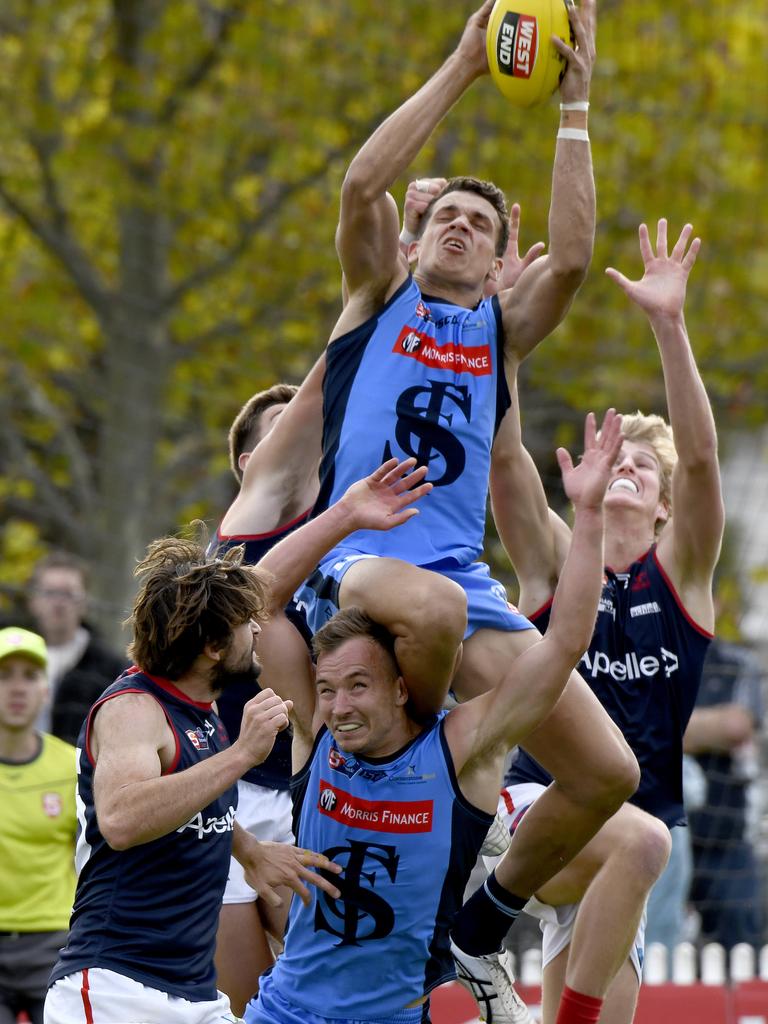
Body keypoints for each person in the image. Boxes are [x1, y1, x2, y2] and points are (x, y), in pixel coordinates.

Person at [292, 8, 643, 1000]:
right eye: (443, 213)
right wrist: (461, 63)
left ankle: (475, 925)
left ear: (496, 264)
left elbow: (570, 261)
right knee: (436, 612)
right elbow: (363, 185)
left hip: (462, 586)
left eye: (480, 223)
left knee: (608, 772)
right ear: (412, 242)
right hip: (357, 564)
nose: (458, 222)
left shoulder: (498, 333)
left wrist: (574, 105)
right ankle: (423, 770)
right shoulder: (373, 298)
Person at [243, 408, 623, 1024]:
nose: (339, 707)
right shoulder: (315, 736)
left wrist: (590, 513)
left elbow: (564, 644)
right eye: (328, 688)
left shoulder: (462, 749)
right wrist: (343, 513)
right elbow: (253, 602)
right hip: (282, 1013)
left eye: (358, 686)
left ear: (401, 688)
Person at [44, 455, 429, 1024]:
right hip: (116, 992)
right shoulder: (133, 709)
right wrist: (243, 756)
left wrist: (248, 849)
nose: (258, 629)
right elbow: (122, 819)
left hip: (194, 997)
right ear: (211, 646)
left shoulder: (199, 705)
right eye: (244, 626)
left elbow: (262, 588)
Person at [455, 219, 724, 1024]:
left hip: (624, 855)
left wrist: (668, 325)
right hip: (528, 821)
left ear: (666, 504)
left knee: (637, 862)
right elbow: (505, 464)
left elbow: (705, 461)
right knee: (639, 839)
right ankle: (479, 929)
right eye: (618, 458)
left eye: (645, 465)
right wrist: (494, 337)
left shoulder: (680, 577)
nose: (628, 468)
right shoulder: (556, 563)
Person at [210, 376, 325, 1013]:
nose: (302, 428)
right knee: (246, 1001)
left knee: (338, 983)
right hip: (234, 797)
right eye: (281, 426)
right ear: (251, 465)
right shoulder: (240, 536)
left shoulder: (355, 534)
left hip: (315, 793)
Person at [0, 627, 76, 1024]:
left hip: (52, 943)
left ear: (45, 689)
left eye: (29, 676)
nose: (16, 688)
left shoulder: (72, 766)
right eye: (4, 675)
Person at [685, 637, 765, 950]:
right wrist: (707, 728)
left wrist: (657, 731)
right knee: (653, 948)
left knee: (744, 944)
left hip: (725, 839)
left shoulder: (736, 662)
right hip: (661, 828)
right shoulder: (645, 651)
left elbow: (735, 726)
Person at [27, 551, 127, 744]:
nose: (58, 603)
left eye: (68, 594)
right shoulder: (14, 659)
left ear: (85, 602)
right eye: (50, 593)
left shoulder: (111, 669)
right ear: (34, 600)